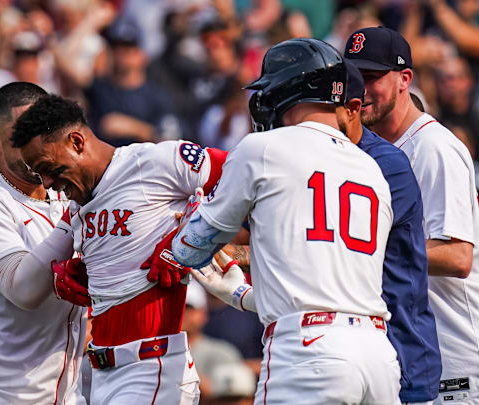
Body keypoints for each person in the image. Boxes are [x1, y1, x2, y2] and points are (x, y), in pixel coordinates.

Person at [195, 59, 444, 404]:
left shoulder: (266, 149)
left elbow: (193, 246)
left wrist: (197, 240)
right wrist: (245, 293)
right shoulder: (372, 168)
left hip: (312, 347)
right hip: (378, 351)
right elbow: (321, 264)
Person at [9, 94, 228, 404]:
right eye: (38, 174)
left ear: (76, 141)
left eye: (48, 167)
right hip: (101, 375)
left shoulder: (154, 161)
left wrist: (196, 242)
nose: (46, 182)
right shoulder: (78, 207)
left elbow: (248, 182)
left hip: (152, 366)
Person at [344, 27, 479, 404]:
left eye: (372, 77)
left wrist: (358, 248)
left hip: (454, 361)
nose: (361, 89)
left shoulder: (434, 148)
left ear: (405, 79)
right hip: (410, 354)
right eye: (353, 78)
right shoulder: (369, 151)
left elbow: (458, 256)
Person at [0, 82, 86, 404]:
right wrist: (77, 215)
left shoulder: (65, 199)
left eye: (43, 133)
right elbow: (23, 289)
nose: (35, 145)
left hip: (66, 394)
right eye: (20, 135)